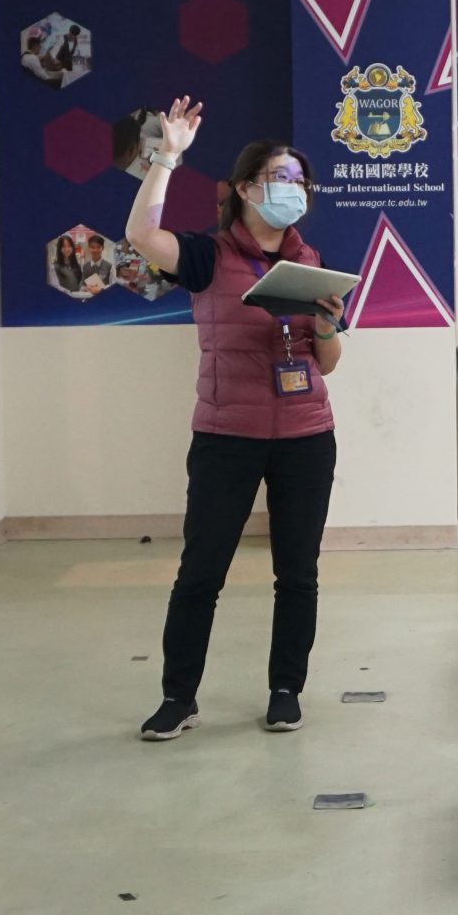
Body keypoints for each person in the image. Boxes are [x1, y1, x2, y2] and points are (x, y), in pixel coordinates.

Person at [121, 97, 344, 741]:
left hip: (306, 436)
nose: (293, 189)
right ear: (245, 189)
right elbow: (141, 237)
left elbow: (327, 363)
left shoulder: (310, 262)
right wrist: (167, 157)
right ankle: (178, 698)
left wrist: (327, 326)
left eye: (300, 180)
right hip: (226, 437)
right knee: (202, 571)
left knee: (297, 573)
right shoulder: (207, 256)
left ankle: (285, 690)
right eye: (280, 178)